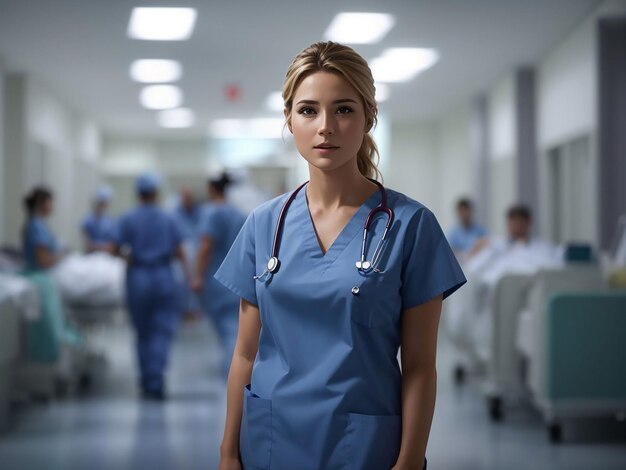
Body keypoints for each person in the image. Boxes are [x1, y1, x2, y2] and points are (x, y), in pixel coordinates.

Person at [214, 42, 466, 470]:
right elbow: (245, 353)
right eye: (308, 110)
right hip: (271, 441)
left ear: (368, 118)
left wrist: (408, 463)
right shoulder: (263, 225)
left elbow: (421, 366)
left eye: (344, 110)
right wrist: (228, 453)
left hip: (364, 446)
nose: (326, 126)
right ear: (290, 120)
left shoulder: (410, 226)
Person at [115, 172, 189, 400]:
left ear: (138, 194)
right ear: (156, 193)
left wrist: (128, 257)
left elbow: (113, 246)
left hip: (138, 277)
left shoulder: (128, 218)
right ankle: (156, 380)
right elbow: (180, 252)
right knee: (162, 331)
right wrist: (189, 278)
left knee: (142, 332)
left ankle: (146, 379)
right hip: (163, 276)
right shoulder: (168, 219)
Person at [192, 173, 246, 380]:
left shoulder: (213, 213)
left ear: (212, 189)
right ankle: (236, 376)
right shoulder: (239, 214)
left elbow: (206, 246)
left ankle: (233, 378)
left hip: (218, 283)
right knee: (236, 329)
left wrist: (197, 276)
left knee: (229, 332)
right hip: (238, 279)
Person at [22, 186, 80, 362]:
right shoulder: (35, 227)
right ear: (42, 204)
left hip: (47, 277)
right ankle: (45, 366)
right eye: (51, 202)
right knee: (48, 331)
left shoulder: (39, 225)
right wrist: (62, 256)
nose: (53, 206)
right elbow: (43, 261)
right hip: (42, 281)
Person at [172, 187, 202, 318]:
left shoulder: (200, 212)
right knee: (182, 280)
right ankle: (184, 309)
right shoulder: (175, 214)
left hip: (198, 250)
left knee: (196, 279)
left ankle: (195, 309)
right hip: (182, 251)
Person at [81, 185, 118, 254]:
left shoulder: (110, 220)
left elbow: (113, 244)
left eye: (106, 203)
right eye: (102, 202)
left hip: (106, 258)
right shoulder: (88, 220)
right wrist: (104, 247)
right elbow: (87, 245)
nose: (104, 205)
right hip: (91, 257)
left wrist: (99, 247)